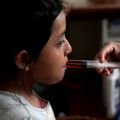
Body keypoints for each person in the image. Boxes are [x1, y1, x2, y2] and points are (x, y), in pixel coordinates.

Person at [0, 0, 72, 120]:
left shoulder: (21, 92)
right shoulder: (25, 117)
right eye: (59, 43)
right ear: (24, 60)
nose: (69, 48)